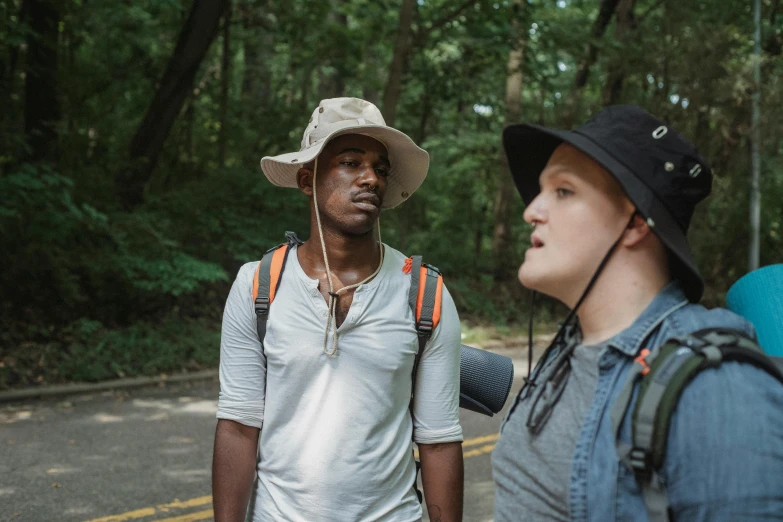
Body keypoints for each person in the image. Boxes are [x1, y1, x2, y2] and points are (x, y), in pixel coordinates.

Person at [492, 105, 783, 521]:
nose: (531, 211)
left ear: (634, 224)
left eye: (563, 191)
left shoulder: (716, 388)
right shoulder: (567, 352)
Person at [211, 97, 464, 522]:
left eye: (381, 169)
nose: (371, 179)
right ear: (307, 179)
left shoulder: (425, 294)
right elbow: (238, 425)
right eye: (351, 162)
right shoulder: (257, 286)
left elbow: (439, 441)